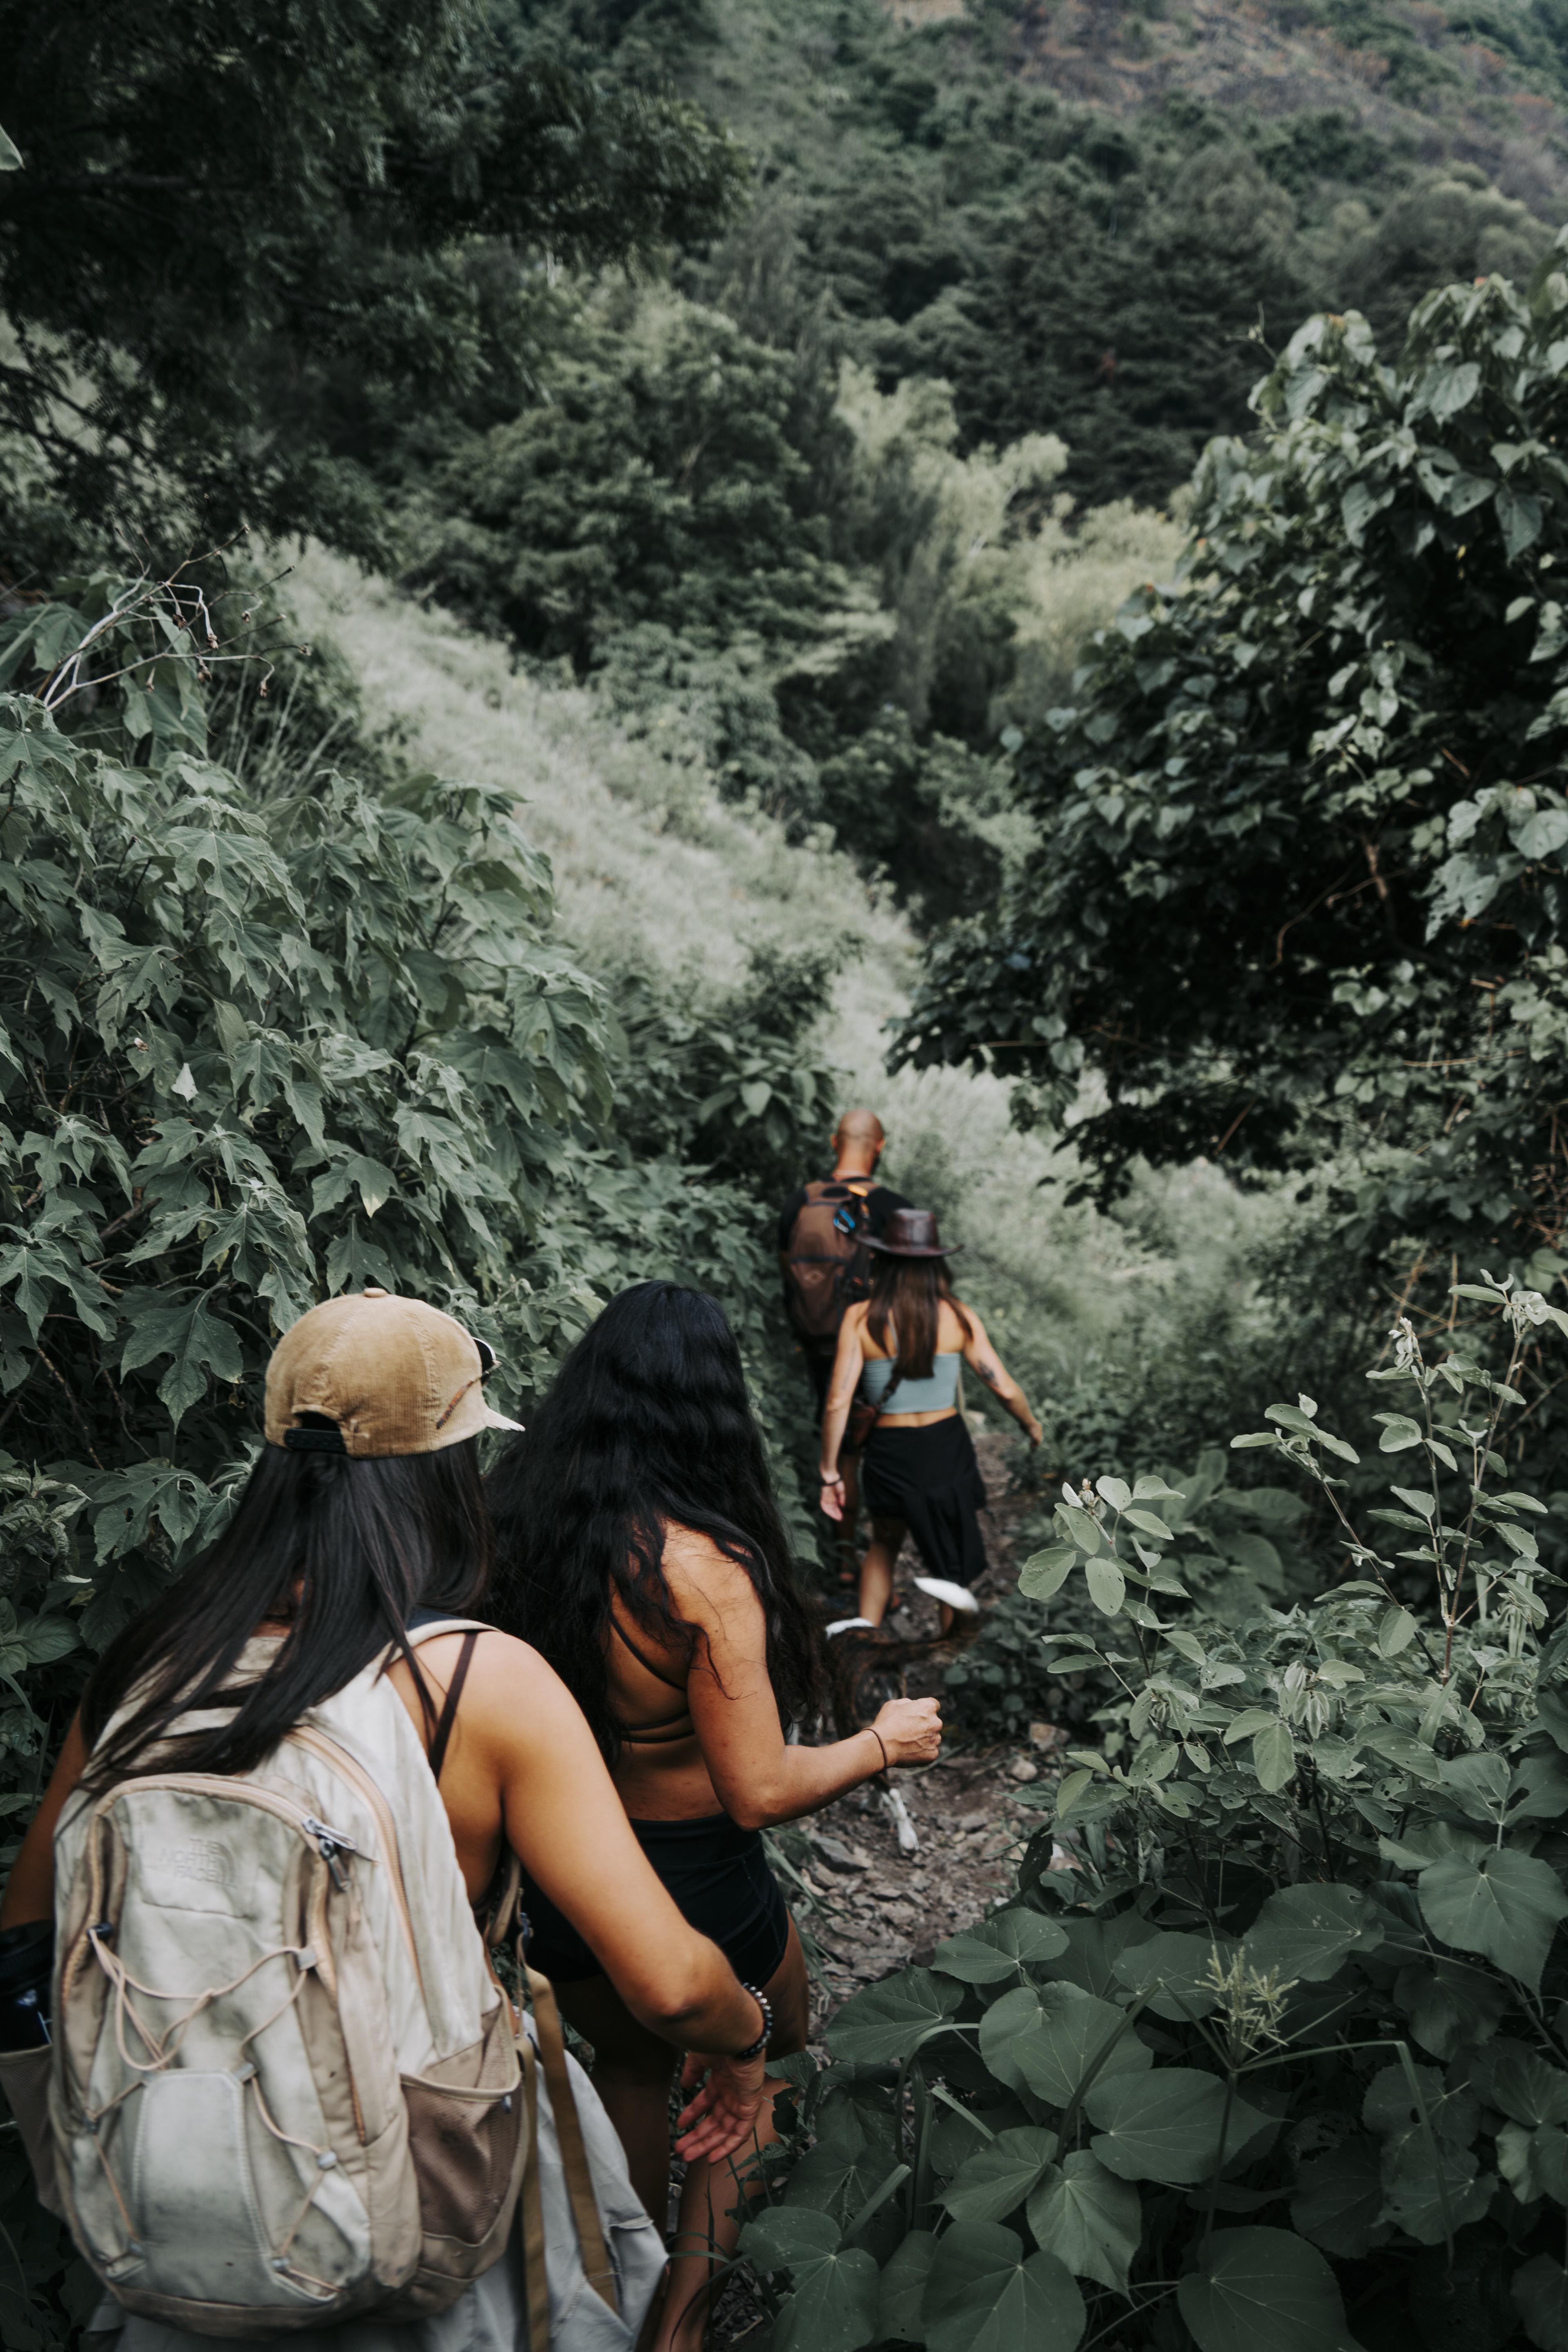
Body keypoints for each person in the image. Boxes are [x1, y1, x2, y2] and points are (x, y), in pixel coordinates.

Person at [0, 1290, 775, 2352]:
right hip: (414, 2202)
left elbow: (28, 1935)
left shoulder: (151, 1662)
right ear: (450, 1470)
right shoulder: (477, 1682)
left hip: (172, 2201)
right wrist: (746, 2043)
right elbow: (671, 1983)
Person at [485, 1281, 942, 2352]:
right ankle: (681, 2330)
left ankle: (619, 2302)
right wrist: (887, 1745)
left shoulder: (519, 1531)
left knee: (635, 2073)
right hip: (699, 1882)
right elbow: (759, 1791)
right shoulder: (698, 1569)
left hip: (561, 1875)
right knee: (769, 2061)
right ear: (713, 1407)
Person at [819, 1209, 1043, 1633]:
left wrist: (830, 1471)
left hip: (889, 1451)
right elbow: (1005, 1389)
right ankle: (946, 1651)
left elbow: (837, 1402)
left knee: (883, 1543)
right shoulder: (957, 1316)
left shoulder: (861, 1318)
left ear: (882, 1261)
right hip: (945, 1447)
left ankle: (866, 1631)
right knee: (949, 1555)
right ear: (935, 1263)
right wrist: (1032, 1427)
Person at [776, 1109, 909, 1571]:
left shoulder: (800, 1203)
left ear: (835, 1142)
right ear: (880, 1145)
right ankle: (884, 1556)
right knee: (888, 1442)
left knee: (844, 1450)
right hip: (878, 1348)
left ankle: (846, 1557)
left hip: (820, 1343)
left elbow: (787, 1277)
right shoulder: (894, 1207)